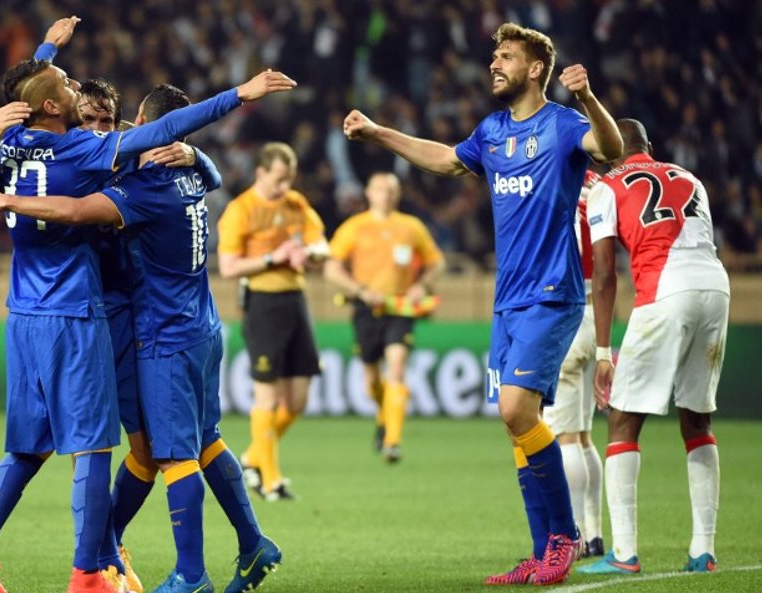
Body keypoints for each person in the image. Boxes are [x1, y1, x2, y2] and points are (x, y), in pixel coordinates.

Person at [0, 48, 296, 593]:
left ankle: (110, 556)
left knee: (149, 449)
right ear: (62, 114)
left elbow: (15, 135)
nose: (95, 128)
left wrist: (196, 151)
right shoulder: (84, 155)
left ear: (126, 124)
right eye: (84, 116)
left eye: (104, 121)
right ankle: (105, 560)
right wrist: (227, 111)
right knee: (126, 447)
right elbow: (38, 131)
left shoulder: (107, 160)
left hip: (103, 317)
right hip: (110, 317)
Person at [342, 22, 622, 586]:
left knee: (516, 410)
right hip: (507, 301)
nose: (494, 64)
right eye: (494, 56)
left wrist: (589, 98)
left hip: (551, 292)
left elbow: (611, 150)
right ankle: (541, 553)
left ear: (535, 69)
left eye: (507, 57)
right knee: (517, 427)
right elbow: (446, 159)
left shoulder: (563, 124)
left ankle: (564, 537)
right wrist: (379, 134)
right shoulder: (491, 131)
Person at [578, 119, 729, 576]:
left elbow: (605, 274)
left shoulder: (606, 187)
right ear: (650, 145)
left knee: (622, 419)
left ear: (607, 150)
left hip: (664, 289)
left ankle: (624, 554)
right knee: (697, 419)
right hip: (716, 287)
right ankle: (703, 550)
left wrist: (603, 353)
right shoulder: (689, 177)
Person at [216, 142, 329, 502]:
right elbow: (229, 266)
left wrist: (308, 253)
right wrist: (273, 258)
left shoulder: (296, 204)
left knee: (297, 399)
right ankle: (271, 480)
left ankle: (252, 458)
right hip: (262, 303)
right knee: (267, 394)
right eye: (279, 178)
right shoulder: (241, 210)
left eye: (289, 179)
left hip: (296, 300)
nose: (285, 186)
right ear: (261, 172)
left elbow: (323, 245)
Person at [323, 171, 444, 463]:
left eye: (391, 190)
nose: (386, 195)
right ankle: (384, 413)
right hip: (366, 308)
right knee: (372, 378)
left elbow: (437, 263)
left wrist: (421, 286)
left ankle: (392, 440)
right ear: (368, 193)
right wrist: (360, 291)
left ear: (398, 194)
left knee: (397, 367)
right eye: (380, 189)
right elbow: (331, 268)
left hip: (401, 308)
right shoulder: (355, 227)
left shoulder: (411, 227)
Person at [543, 169, 606, 558]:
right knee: (583, 436)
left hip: (562, 310)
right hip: (594, 310)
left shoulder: (548, 179)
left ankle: (576, 533)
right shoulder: (597, 183)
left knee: (564, 436)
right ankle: (595, 533)